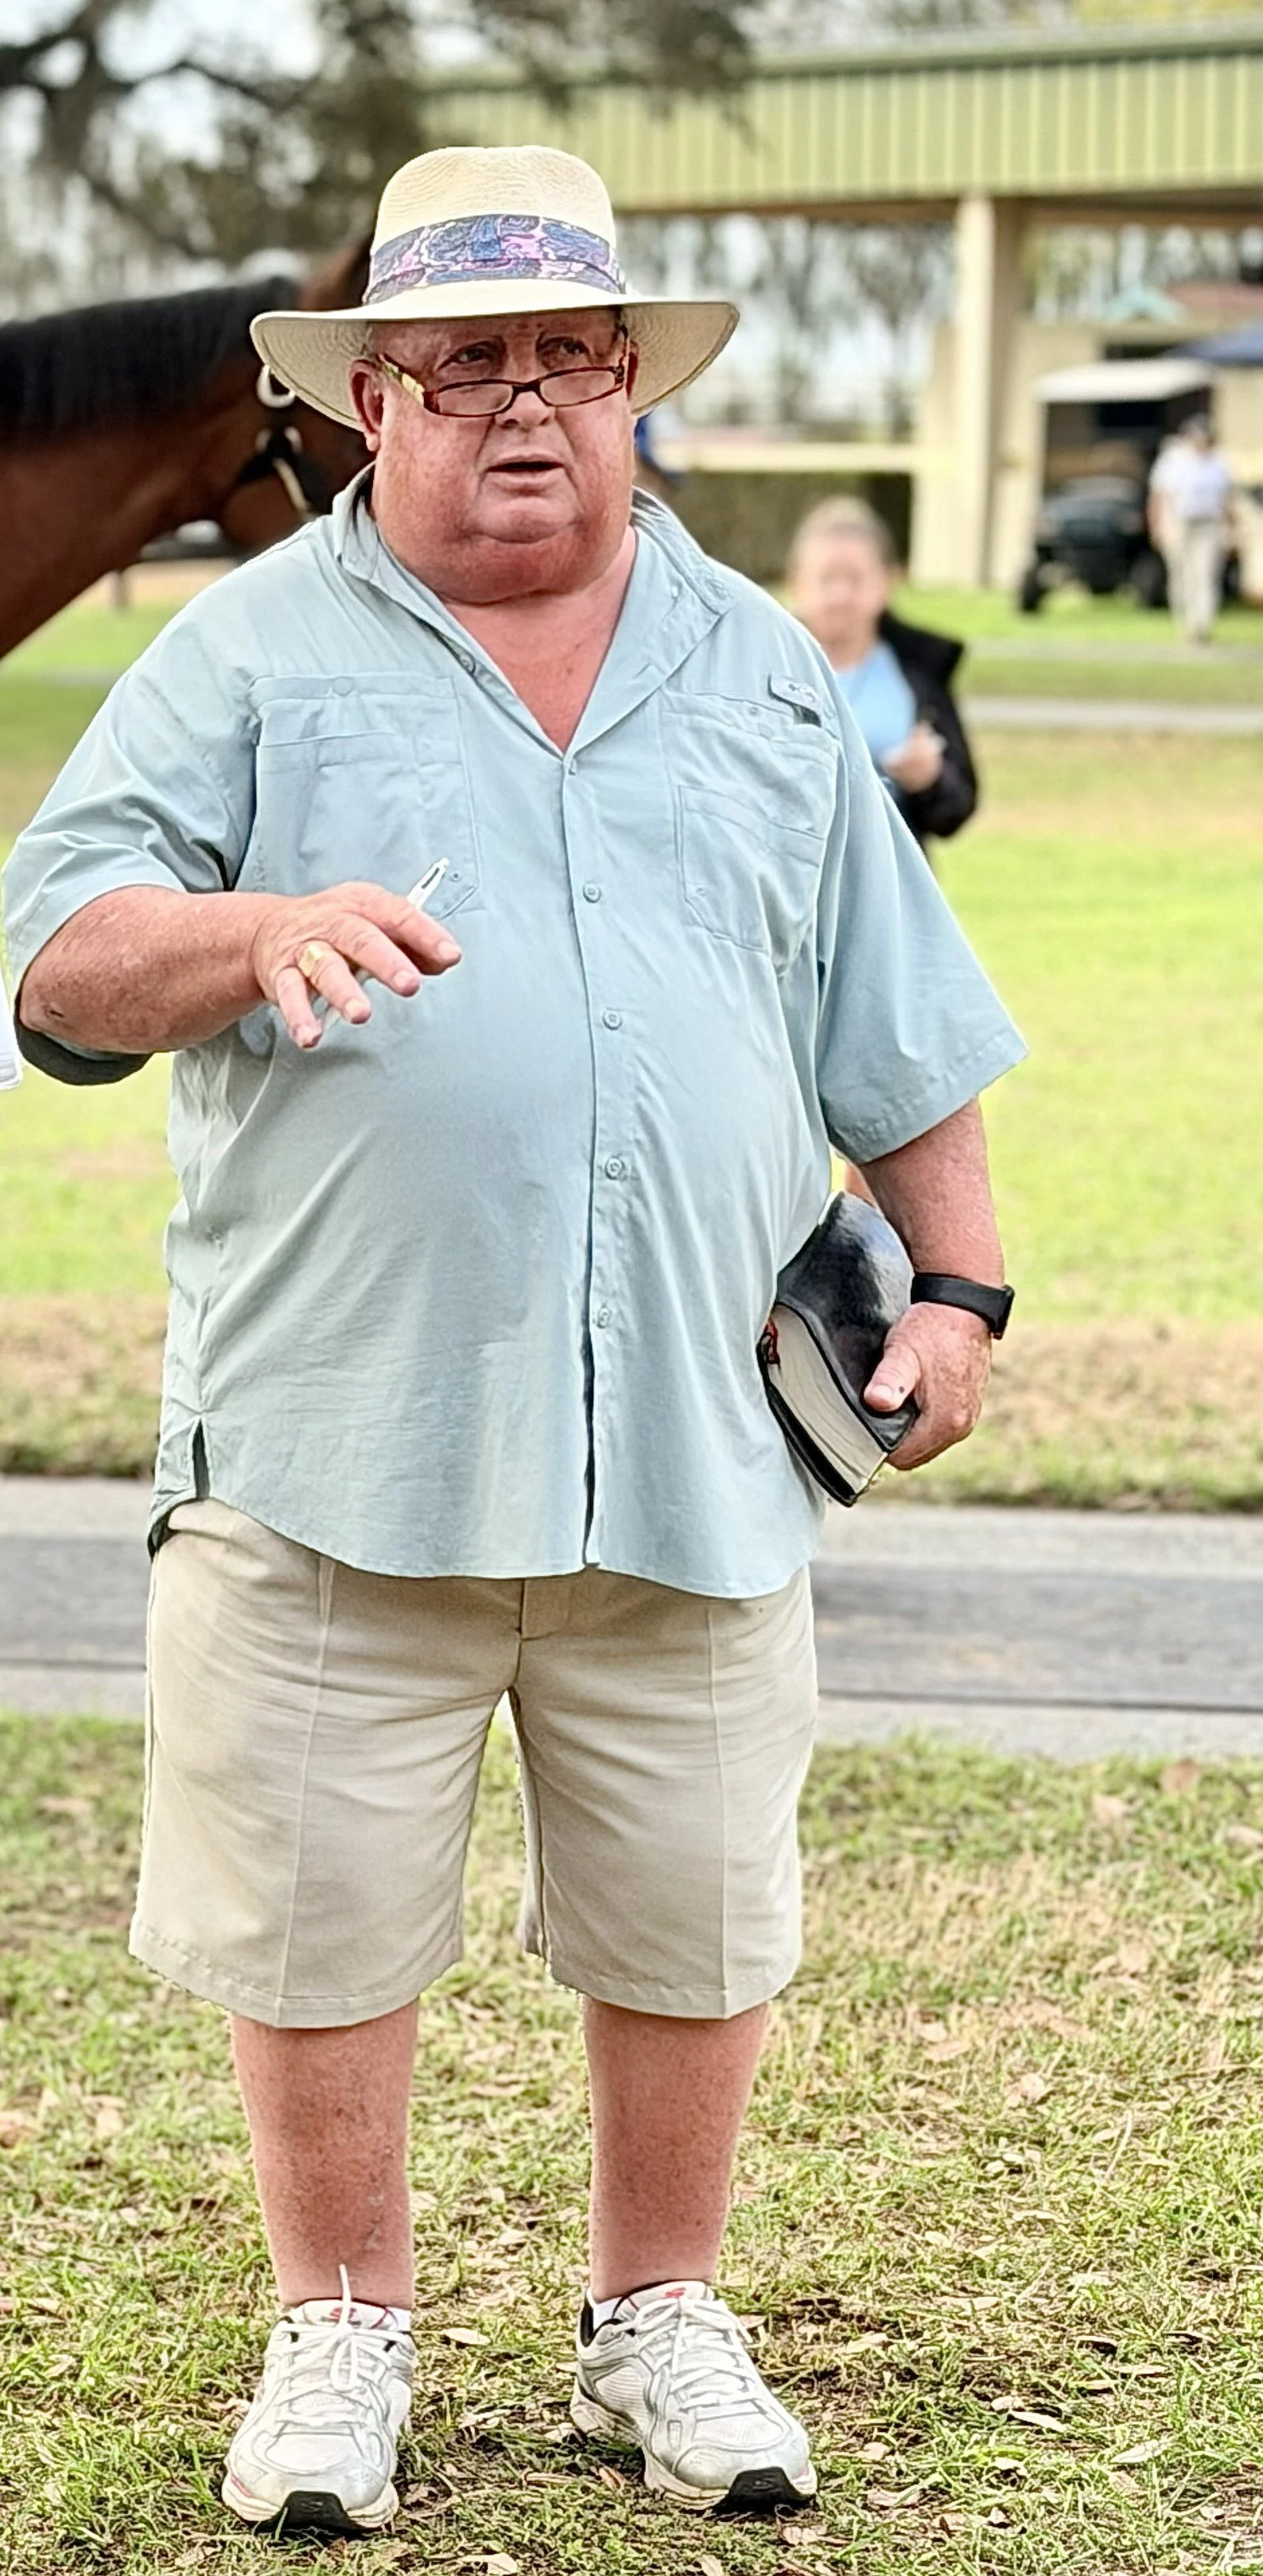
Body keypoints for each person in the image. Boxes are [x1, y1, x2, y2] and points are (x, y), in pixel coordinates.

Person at [3, 144, 1024, 2539]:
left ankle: (654, 2315)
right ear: (367, 405)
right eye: (467, 367)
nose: (530, 406)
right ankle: (337, 2330)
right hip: (335, 1432)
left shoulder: (758, 667)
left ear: (631, 390)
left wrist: (960, 1288)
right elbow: (56, 950)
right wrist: (243, 932)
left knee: (692, 1901)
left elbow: (894, 1018)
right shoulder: (243, 656)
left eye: (574, 358)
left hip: (695, 1432)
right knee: (314, 1910)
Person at [787, 495, 977, 854]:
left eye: (855, 580)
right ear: (796, 584)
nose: (840, 596)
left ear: (886, 584)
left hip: (893, 881)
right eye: (826, 579)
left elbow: (958, 807)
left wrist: (930, 780)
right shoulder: (764, 668)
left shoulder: (919, 669)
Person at [1148, 416, 1232, 644]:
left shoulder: (1218, 462)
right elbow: (1159, 495)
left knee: (1206, 574)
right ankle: (1185, 624)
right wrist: (1157, 526)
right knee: (1182, 575)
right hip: (1179, 522)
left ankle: (1202, 625)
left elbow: (1225, 498)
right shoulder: (1173, 460)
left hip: (1209, 523)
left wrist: (1227, 528)